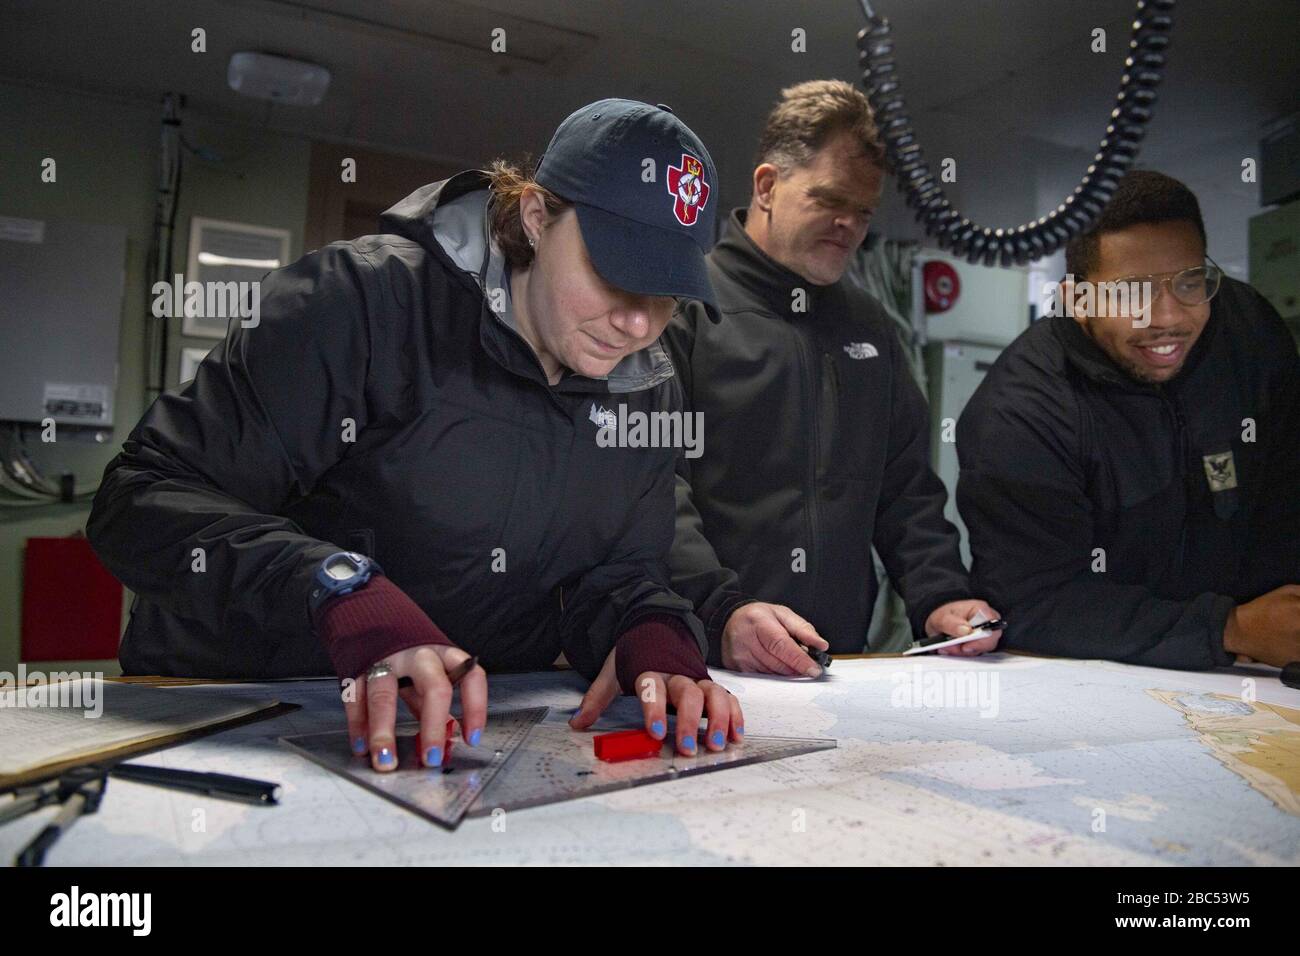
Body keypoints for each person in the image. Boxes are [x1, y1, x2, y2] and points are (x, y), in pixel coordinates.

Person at [87, 99, 744, 771]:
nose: (638, 325)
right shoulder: (360, 303)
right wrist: (335, 588)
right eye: (616, 273)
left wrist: (651, 630)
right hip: (238, 710)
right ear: (539, 216)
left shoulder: (644, 383)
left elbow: (618, 571)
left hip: (442, 738)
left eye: (665, 293)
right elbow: (139, 499)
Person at [664, 80, 1001, 676]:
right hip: (705, 658)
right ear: (767, 186)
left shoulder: (870, 325)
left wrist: (941, 595)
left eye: (864, 211)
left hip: (839, 663)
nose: (849, 224)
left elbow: (905, 490)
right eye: (829, 200)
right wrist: (720, 611)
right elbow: (654, 490)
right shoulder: (685, 308)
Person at [957, 169, 1300, 669]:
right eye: (1129, 292)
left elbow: (1286, 494)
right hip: (1104, 686)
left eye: (1189, 282)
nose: (1168, 318)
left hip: (1258, 673)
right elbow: (1034, 603)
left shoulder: (1248, 332)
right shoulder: (1019, 413)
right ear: (1077, 300)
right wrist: (1229, 628)